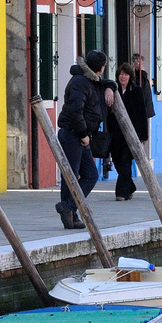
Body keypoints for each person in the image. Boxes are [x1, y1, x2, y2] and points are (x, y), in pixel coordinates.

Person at [55, 50, 109, 228]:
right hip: (74, 134)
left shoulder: (89, 80)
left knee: (90, 175)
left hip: (78, 134)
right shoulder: (81, 83)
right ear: (100, 68)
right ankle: (70, 210)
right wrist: (84, 134)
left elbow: (106, 83)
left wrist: (112, 88)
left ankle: (69, 209)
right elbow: (74, 111)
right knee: (72, 175)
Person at [108, 63, 150, 200]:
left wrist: (143, 136)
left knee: (126, 160)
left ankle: (121, 193)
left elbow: (143, 113)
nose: (123, 77)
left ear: (130, 76)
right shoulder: (113, 90)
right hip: (115, 134)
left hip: (132, 134)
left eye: (125, 74)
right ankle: (130, 186)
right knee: (117, 160)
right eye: (121, 74)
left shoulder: (136, 91)